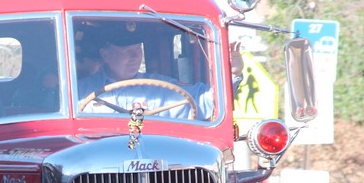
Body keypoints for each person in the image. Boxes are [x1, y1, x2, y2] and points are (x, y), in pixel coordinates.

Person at [77, 25, 241, 121]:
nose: (135, 57)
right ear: (106, 55)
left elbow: (206, 101)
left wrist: (231, 74)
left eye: (138, 50)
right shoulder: (80, 92)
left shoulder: (160, 88)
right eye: (127, 51)